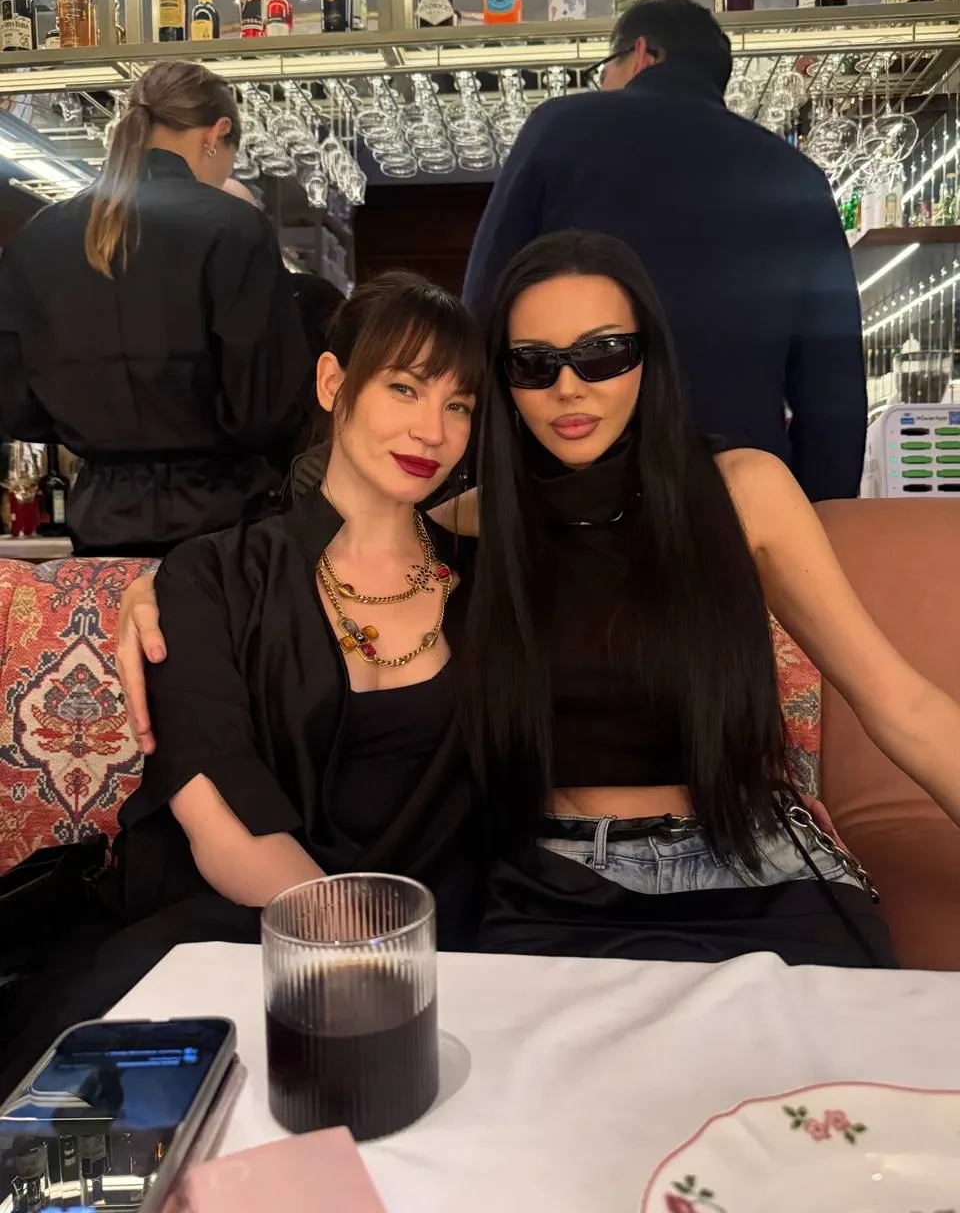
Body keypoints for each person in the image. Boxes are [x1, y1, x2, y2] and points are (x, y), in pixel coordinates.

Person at [119, 237, 960, 971]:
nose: (569, 387)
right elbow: (349, 535)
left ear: (648, 358)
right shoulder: (482, 523)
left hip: (758, 863)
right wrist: (163, 586)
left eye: (603, 354)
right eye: (532, 364)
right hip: (565, 883)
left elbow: (904, 705)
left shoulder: (742, 491)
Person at [113, 270, 485, 950]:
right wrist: (370, 953)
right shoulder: (212, 578)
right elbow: (223, 822)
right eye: (404, 388)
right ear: (333, 383)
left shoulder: (487, 578)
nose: (432, 431)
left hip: (455, 938)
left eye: (458, 404)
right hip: (256, 931)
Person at [462, 0, 867, 504]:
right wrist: (818, 518)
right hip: (736, 500)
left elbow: (481, 310)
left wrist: (480, 480)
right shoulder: (798, 178)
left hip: (574, 495)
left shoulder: (562, 129)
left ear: (639, 54)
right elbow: (834, 392)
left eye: (605, 69)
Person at [0, 60, 311, 556]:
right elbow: (265, 405)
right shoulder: (235, 228)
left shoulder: (38, 236)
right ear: (217, 133)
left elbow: (16, 407)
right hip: (222, 524)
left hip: (99, 521)